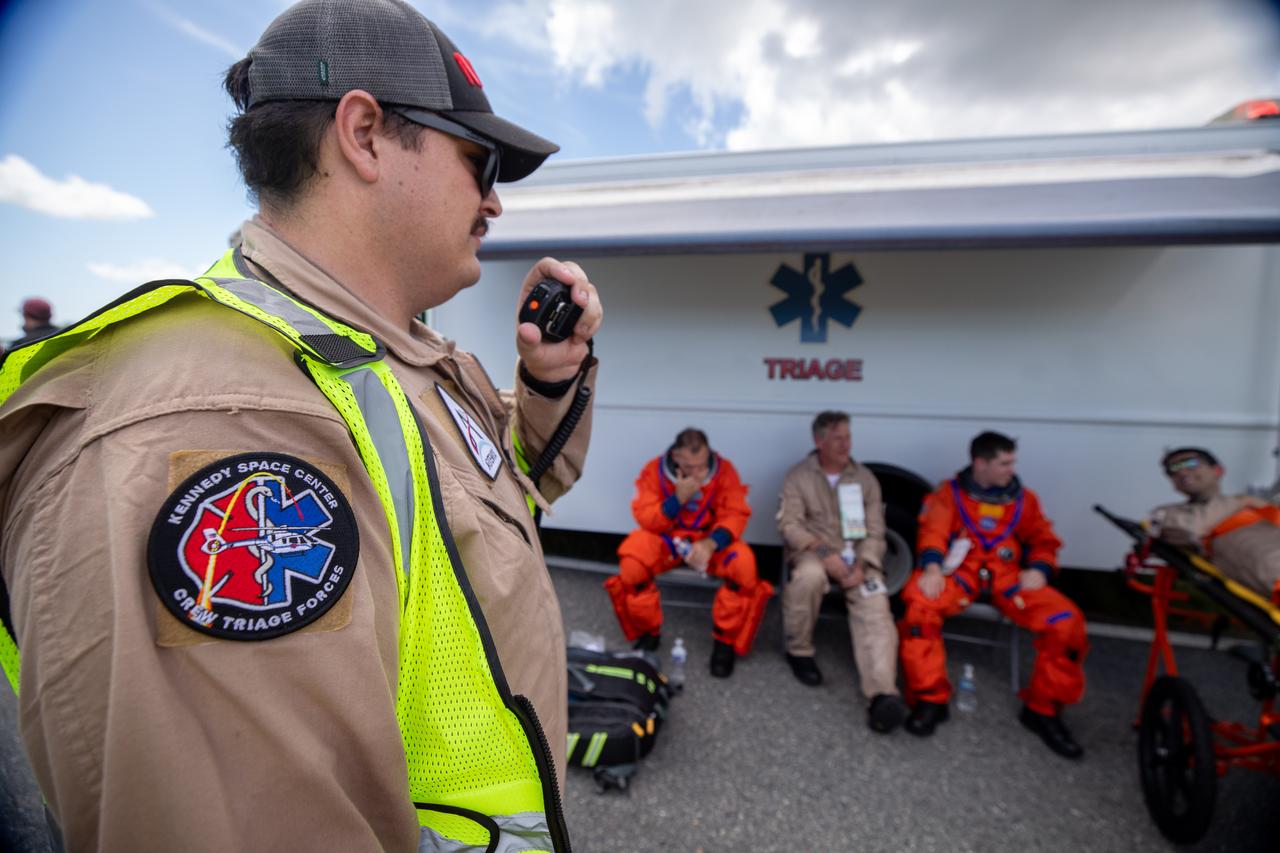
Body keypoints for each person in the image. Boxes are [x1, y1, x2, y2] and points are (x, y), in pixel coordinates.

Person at [0, 1, 602, 850]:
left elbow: (496, 504)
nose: (495, 202)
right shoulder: (221, 426)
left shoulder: (398, 356)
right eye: (483, 161)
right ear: (363, 135)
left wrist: (550, 379)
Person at [899, 431, 1088, 759]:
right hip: (960, 575)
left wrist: (1039, 570)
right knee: (918, 606)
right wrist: (931, 568)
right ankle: (930, 698)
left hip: (1010, 578)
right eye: (1004, 463)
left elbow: (1044, 539)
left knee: (1066, 622)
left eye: (1011, 462)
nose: (1010, 470)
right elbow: (934, 532)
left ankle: (1043, 710)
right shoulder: (949, 494)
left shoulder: (1024, 500)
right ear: (980, 463)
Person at [776, 411, 908, 733]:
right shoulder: (799, 477)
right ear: (818, 441)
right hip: (814, 553)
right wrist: (825, 553)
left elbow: (876, 532)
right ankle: (800, 651)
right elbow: (789, 525)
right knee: (808, 578)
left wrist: (863, 565)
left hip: (857, 561)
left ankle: (882, 695)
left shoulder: (864, 479)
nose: (846, 444)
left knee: (875, 603)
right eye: (838, 438)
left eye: (848, 437)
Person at [605, 428, 774, 678]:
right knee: (633, 561)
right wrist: (677, 500)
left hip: (709, 542)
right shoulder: (654, 471)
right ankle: (647, 633)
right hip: (668, 540)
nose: (697, 472)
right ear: (676, 457)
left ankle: (725, 642)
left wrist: (711, 543)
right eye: (690, 466)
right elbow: (645, 518)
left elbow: (735, 513)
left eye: (702, 465)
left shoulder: (724, 471)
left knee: (744, 564)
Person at [1151, 447, 1280, 604]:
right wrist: (1242, 502)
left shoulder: (1253, 503)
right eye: (1173, 469)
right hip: (1267, 568)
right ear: (1174, 483)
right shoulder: (1168, 513)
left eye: (1190, 464)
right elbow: (1192, 531)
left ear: (1217, 470)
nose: (1182, 472)